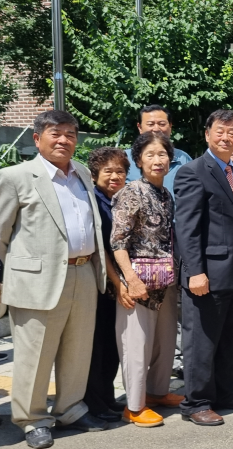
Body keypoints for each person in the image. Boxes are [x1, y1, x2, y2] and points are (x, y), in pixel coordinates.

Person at [0, 110, 109, 448]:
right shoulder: (15, 176)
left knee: (78, 350)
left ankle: (71, 409)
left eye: (70, 134)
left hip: (83, 272)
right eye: (55, 133)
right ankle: (32, 419)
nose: (64, 140)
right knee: (35, 355)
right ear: (37, 139)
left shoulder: (83, 175)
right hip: (36, 280)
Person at [174, 110, 233, 426]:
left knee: (227, 341)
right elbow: (188, 227)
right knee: (201, 343)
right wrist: (195, 271)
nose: (227, 137)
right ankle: (196, 403)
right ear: (207, 134)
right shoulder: (194, 171)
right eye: (220, 131)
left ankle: (223, 393)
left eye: (232, 132)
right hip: (205, 275)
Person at [111, 131, 182, 427]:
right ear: (138, 160)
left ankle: (156, 392)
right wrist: (129, 279)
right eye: (150, 155)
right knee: (136, 344)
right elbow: (117, 241)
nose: (157, 160)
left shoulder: (165, 194)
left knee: (164, 341)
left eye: (162, 154)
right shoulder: (131, 192)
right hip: (139, 281)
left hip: (165, 280)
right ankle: (135, 406)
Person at [83, 148, 129, 424]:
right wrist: (118, 280)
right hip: (100, 284)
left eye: (120, 171)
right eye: (108, 171)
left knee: (113, 344)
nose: (114, 176)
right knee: (97, 345)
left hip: (118, 287)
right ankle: (94, 402)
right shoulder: (93, 203)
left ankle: (107, 397)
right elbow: (101, 250)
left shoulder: (121, 201)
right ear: (95, 174)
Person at [125, 105, 194, 194]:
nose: (156, 129)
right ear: (140, 127)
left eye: (162, 124)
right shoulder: (124, 159)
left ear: (170, 126)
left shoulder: (183, 159)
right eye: (150, 124)